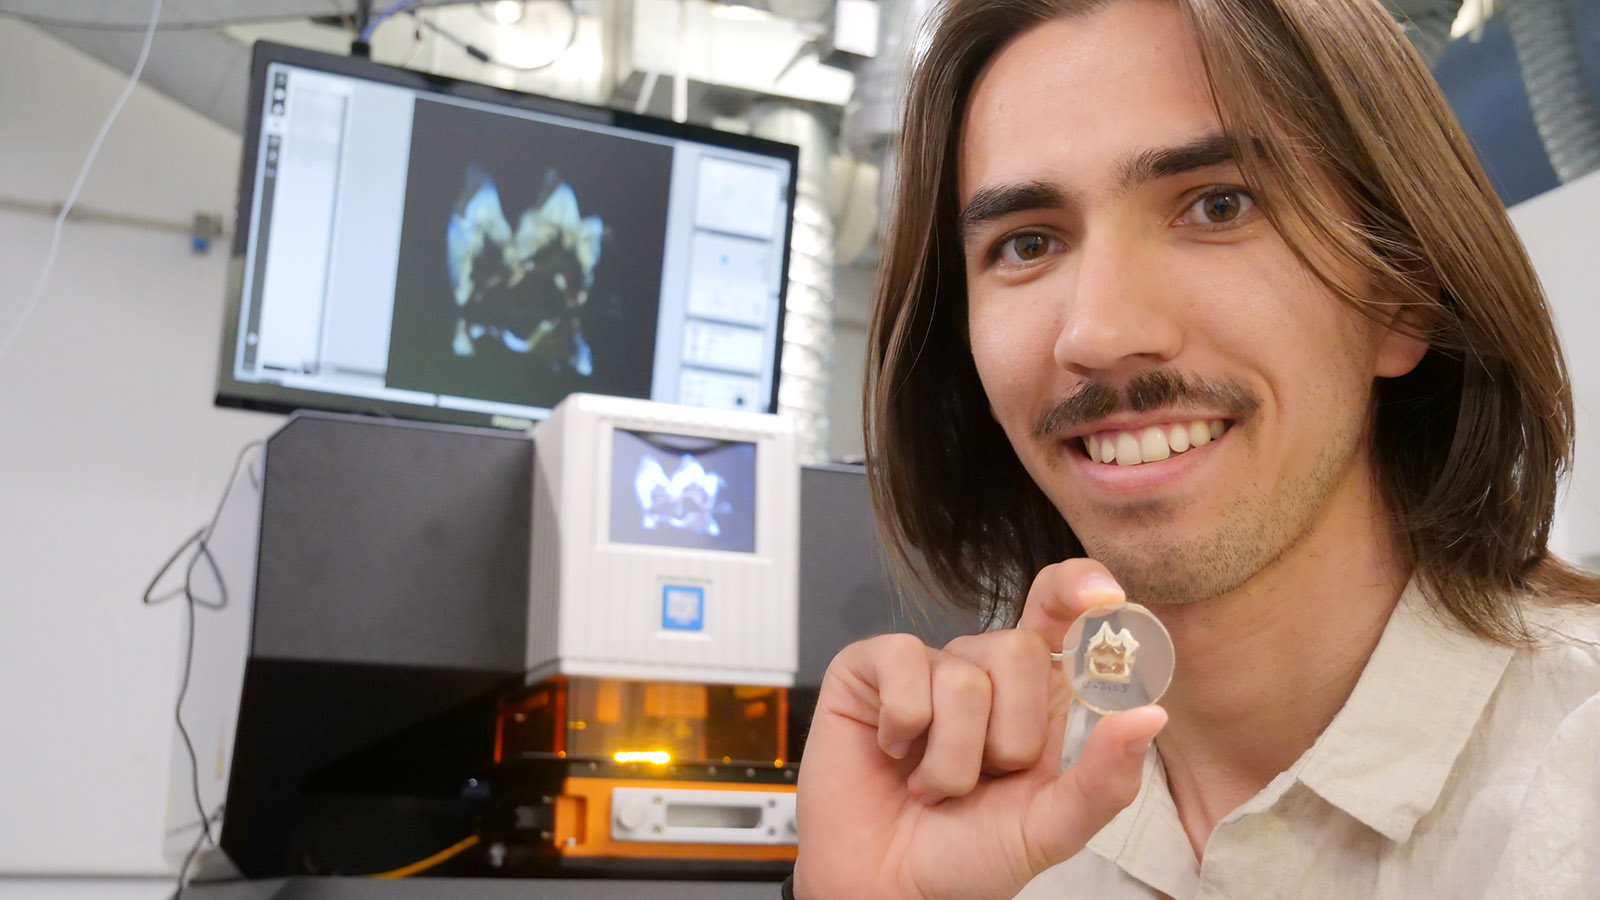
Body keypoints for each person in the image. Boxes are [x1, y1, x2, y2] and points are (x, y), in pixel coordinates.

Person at [789, 0, 1600, 897]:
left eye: (1217, 206)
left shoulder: (1573, 773)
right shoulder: (980, 814)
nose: (1097, 332)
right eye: (1027, 243)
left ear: (1401, 294)